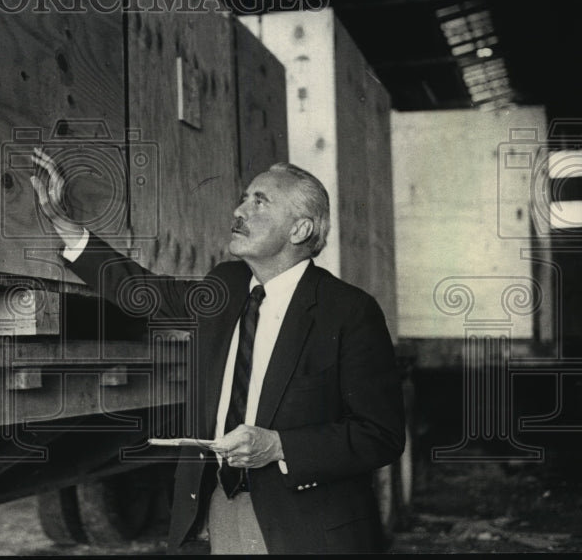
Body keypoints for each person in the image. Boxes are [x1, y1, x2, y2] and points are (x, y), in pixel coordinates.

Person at [29, 148, 405, 554]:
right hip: (223, 509)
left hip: (308, 524)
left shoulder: (348, 310)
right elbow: (142, 292)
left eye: (260, 201)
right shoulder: (225, 284)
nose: (239, 210)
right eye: (244, 197)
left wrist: (279, 446)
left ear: (300, 230)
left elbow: (380, 435)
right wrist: (65, 224)